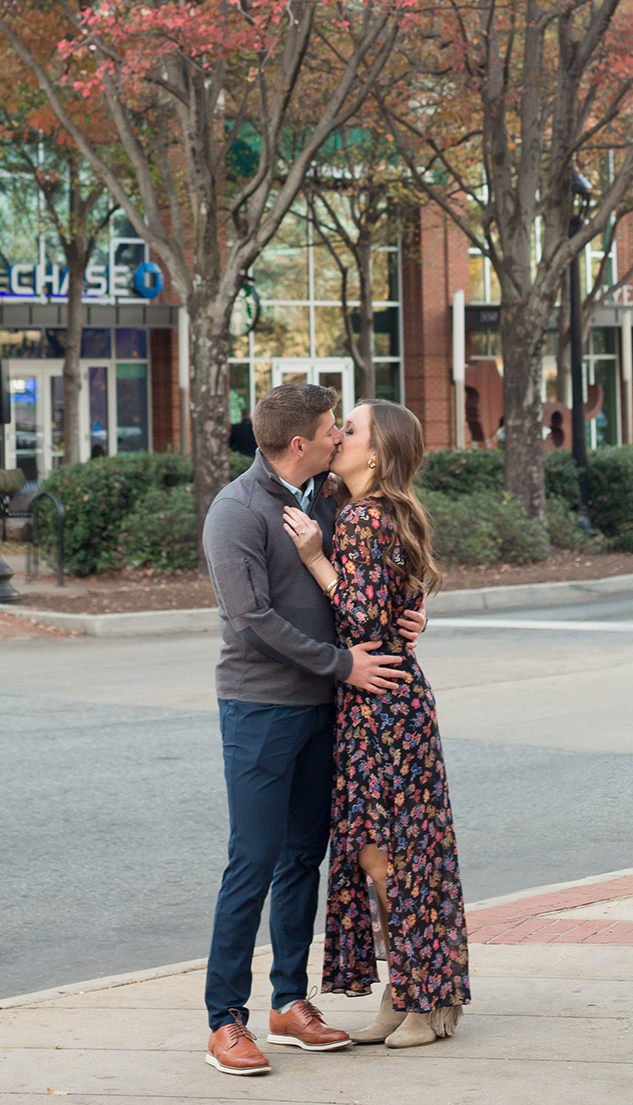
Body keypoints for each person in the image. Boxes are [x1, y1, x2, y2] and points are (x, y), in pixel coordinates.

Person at [201, 382, 427, 1077]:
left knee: (305, 857)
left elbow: (379, 576)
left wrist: (412, 617)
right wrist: (342, 665)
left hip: (327, 710)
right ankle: (225, 1020)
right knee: (254, 859)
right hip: (262, 709)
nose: (340, 436)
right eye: (334, 428)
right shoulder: (236, 512)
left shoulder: (330, 497)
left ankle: (289, 1002)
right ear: (300, 443)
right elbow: (253, 620)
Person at [283, 399, 470, 1048]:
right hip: (390, 703)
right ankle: (417, 994)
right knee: (399, 856)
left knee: (386, 859)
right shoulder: (375, 510)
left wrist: (314, 557)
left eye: (351, 430)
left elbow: (361, 619)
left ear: (376, 452)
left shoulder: (365, 517)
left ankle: (421, 999)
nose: (339, 437)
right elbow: (398, 607)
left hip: (382, 708)